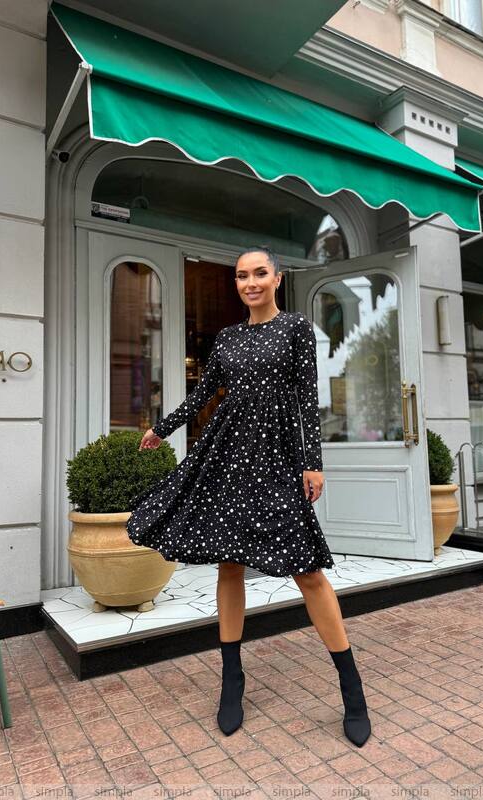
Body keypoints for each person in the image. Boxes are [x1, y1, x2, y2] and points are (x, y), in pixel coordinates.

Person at [126, 246, 371, 747]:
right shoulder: (227, 338)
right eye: (242, 275)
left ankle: (352, 690)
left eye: (260, 273)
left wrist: (312, 461)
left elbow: (306, 397)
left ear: (277, 279)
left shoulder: (296, 329)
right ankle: (232, 680)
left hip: (279, 459)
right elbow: (203, 393)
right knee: (230, 566)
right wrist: (162, 428)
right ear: (237, 283)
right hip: (228, 455)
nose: (251, 282)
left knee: (308, 572)